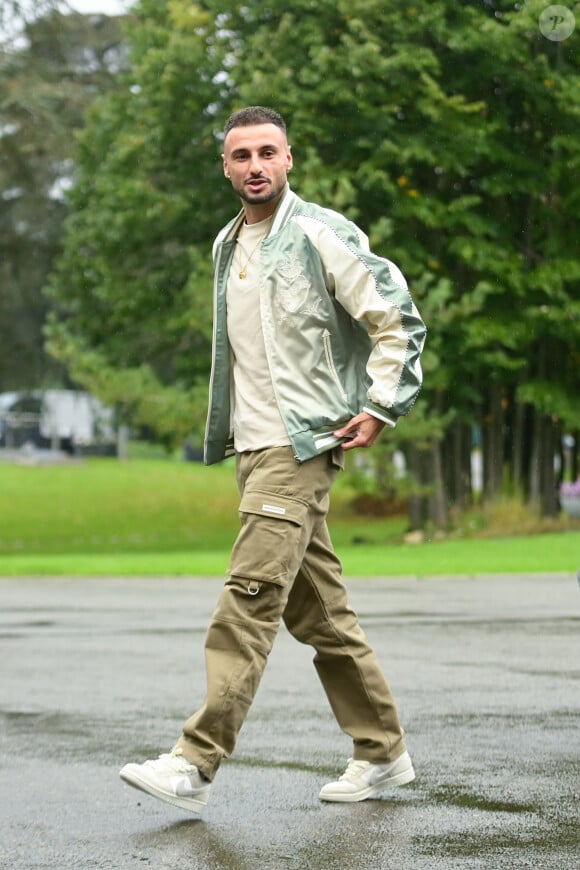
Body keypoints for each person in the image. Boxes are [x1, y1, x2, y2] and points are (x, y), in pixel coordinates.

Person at [120, 106, 426, 815]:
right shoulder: (229, 244)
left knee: (248, 600)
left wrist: (380, 406)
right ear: (225, 167)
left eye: (267, 152)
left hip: (302, 446)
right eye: (240, 156)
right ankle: (383, 753)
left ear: (289, 160)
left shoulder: (320, 233)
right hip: (254, 449)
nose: (254, 165)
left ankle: (194, 762)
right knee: (320, 616)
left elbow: (397, 318)